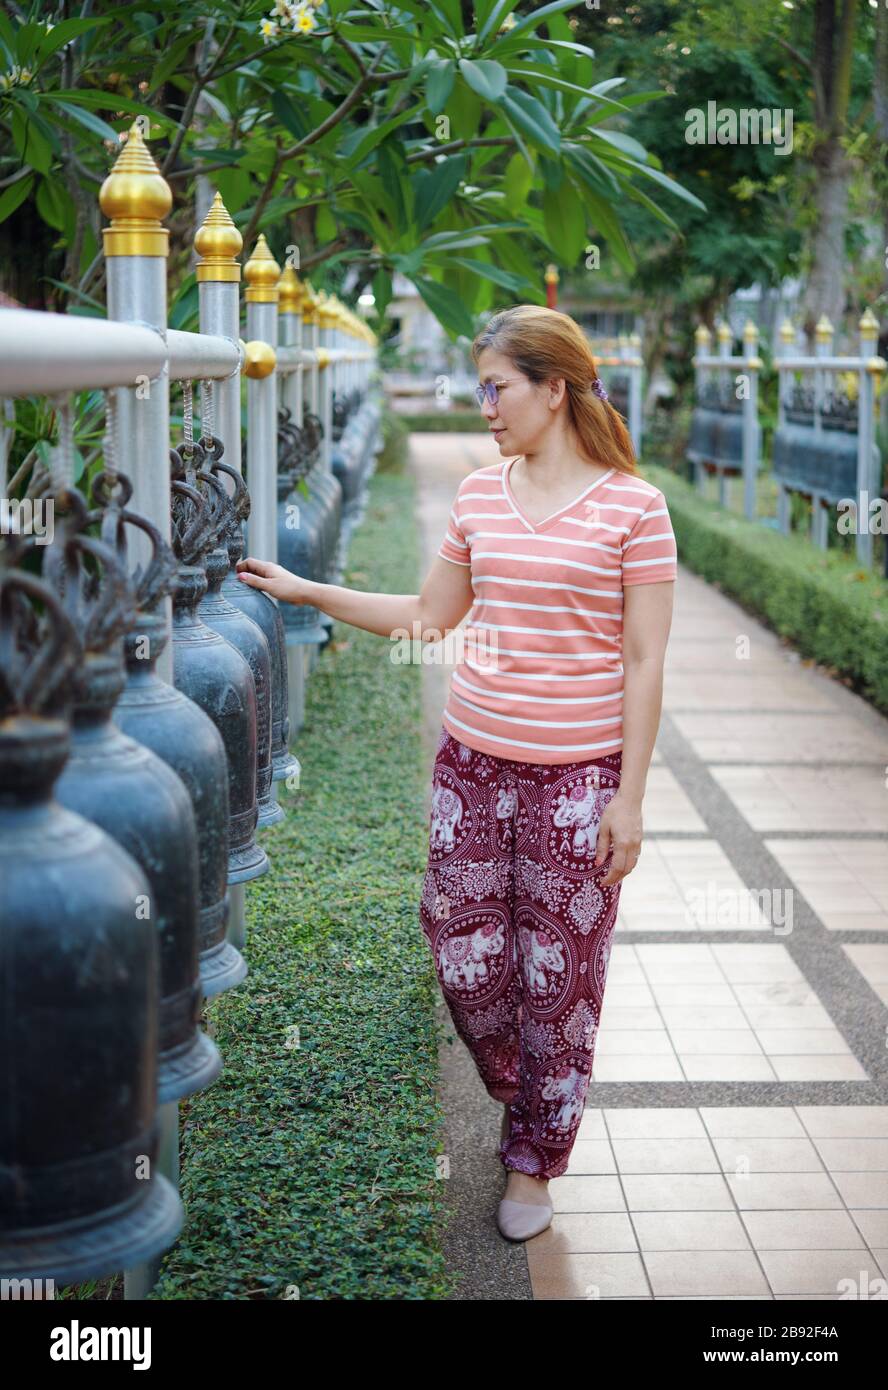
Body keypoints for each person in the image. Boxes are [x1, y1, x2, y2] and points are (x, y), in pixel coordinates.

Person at [235, 303, 678, 1243]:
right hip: (471, 769)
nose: (485, 405)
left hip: (577, 785)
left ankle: (532, 1162)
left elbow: (644, 663)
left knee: (559, 976)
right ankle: (526, 1092)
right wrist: (308, 589)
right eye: (480, 387)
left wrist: (629, 801)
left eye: (497, 386)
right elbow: (429, 617)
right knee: (464, 948)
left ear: (554, 389)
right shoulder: (483, 496)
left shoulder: (636, 508)